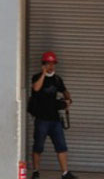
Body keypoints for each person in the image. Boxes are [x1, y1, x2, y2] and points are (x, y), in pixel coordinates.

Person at [30, 51, 75, 179]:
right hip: (41, 119)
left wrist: (68, 99)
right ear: (43, 64)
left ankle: (65, 173)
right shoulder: (36, 77)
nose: (51, 66)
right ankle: (36, 171)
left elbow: (64, 91)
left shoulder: (57, 79)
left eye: (53, 64)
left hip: (55, 120)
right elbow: (36, 88)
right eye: (48, 64)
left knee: (61, 146)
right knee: (38, 147)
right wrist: (43, 74)